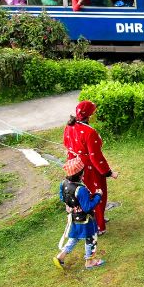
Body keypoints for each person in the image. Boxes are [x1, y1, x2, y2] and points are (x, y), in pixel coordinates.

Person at [63, 100, 116, 233]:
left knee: (82, 194)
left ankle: (94, 220)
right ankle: (99, 226)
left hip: (75, 167)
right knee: (97, 193)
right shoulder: (89, 132)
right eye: (93, 112)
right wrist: (108, 172)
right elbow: (95, 156)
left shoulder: (69, 126)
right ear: (89, 115)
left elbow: (66, 144)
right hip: (90, 168)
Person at [53, 157, 104, 270]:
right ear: (80, 174)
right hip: (86, 219)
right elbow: (87, 207)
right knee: (91, 238)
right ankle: (89, 261)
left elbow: (62, 197)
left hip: (74, 217)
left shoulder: (63, 183)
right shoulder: (81, 189)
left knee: (74, 237)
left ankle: (60, 256)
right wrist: (98, 195)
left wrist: (70, 206)